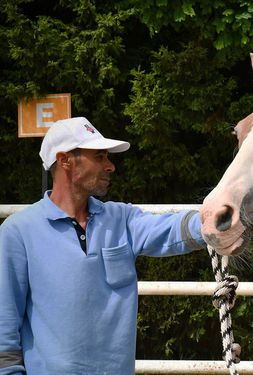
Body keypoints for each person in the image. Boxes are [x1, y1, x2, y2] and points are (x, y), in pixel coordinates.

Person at [0, 117, 205, 374]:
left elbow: (172, 230)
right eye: (99, 157)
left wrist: (218, 219)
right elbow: (4, 326)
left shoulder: (122, 219)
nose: (110, 166)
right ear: (65, 161)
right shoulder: (18, 231)